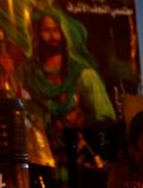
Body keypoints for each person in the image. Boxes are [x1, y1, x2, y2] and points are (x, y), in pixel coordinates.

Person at [19, 9, 116, 143]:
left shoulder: (84, 75)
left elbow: (105, 121)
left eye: (56, 30)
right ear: (37, 34)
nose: (53, 36)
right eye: (46, 30)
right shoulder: (30, 75)